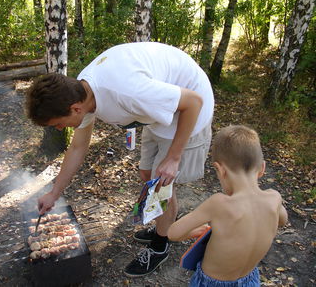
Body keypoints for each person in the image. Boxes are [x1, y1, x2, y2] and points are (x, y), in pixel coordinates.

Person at [26, 42, 214, 276]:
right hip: (159, 111)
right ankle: (163, 225)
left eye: (57, 124)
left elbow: (193, 102)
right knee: (148, 174)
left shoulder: (127, 92)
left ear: (75, 109)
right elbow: (78, 147)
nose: (58, 129)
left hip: (189, 112)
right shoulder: (82, 92)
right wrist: (54, 193)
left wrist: (174, 157)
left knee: (162, 184)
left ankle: (160, 245)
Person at [168, 125, 288, 286]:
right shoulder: (274, 199)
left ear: (220, 170)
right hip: (250, 279)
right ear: (262, 168)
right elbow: (282, 220)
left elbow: (173, 233)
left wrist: (196, 231)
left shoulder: (219, 203)